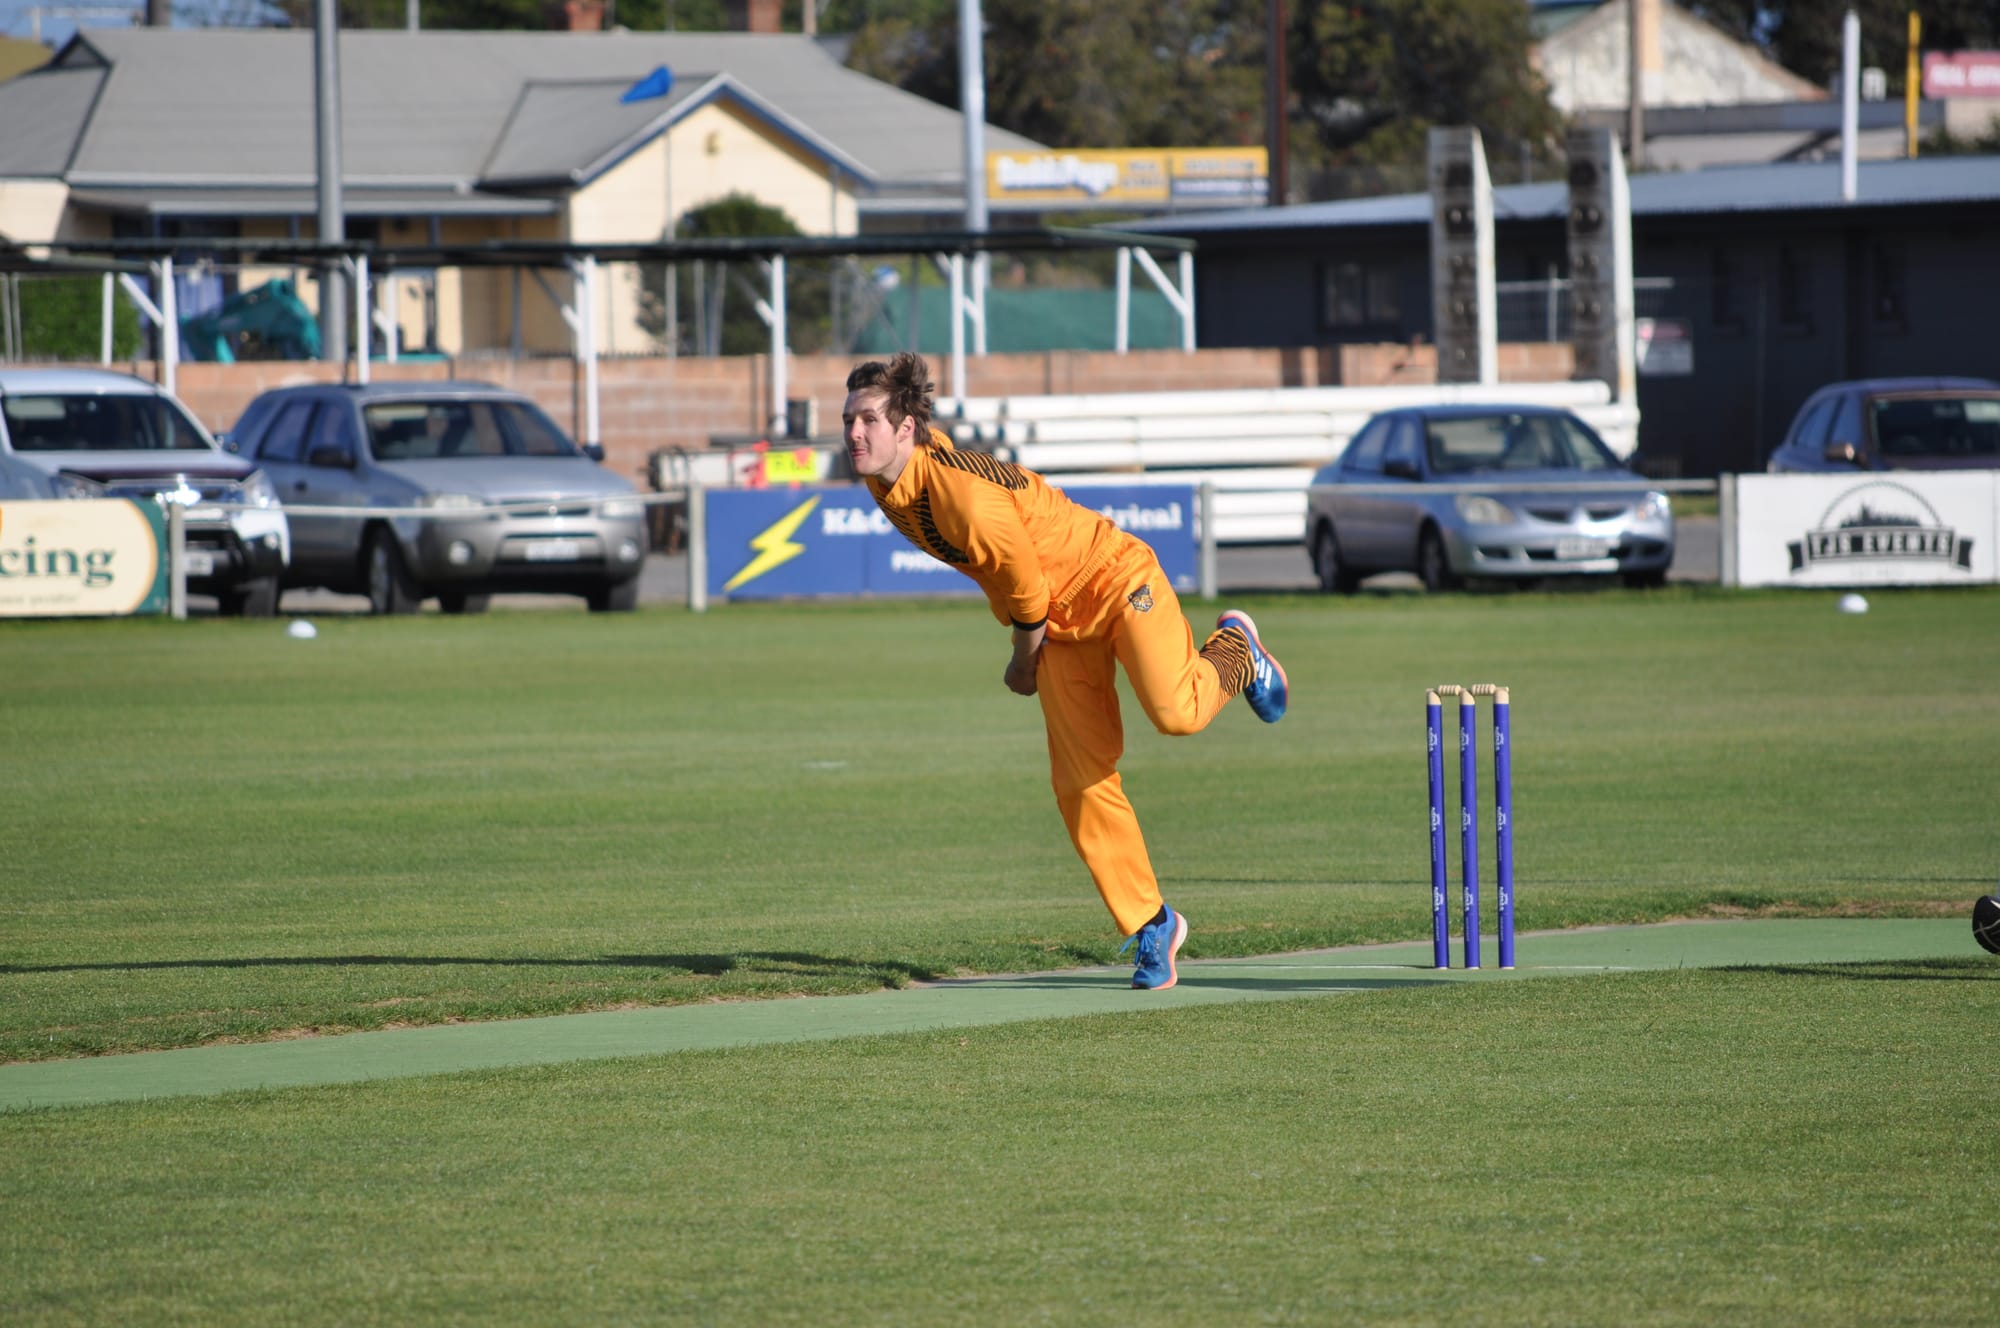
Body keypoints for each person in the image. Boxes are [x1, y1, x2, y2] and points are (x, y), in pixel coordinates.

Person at [843, 352, 1288, 991]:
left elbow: (1024, 595)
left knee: (1176, 713)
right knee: (1079, 778)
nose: (853, 433)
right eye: (848, 419)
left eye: (867, 420)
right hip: (1059, 621)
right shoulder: (887, 479)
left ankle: (1237, 649)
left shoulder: (961, 498)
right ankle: (1153, 923)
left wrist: (1022, 667)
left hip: (1111, 576)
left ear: (906, 427)